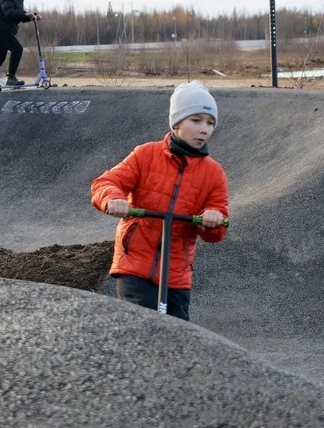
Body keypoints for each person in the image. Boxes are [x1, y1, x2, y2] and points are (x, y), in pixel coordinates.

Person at [90, 81, 230, 321]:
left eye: (210, 123)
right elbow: (105, 183)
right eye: (195, 120)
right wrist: (113, 199)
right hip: (135, 265)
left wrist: (213, 219)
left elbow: (217, 226)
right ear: (176, 123)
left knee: (177, 338)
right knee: (141, 328)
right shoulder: (146, 155)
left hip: (176, 273)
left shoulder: (213, 172)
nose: (204, 129)